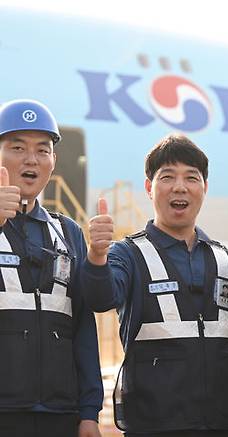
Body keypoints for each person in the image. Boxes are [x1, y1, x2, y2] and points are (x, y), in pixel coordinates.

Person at [81, 134, 228, 436]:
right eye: (167, 177)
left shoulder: (223, 259)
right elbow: (101, 298)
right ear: (149, 187)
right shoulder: (129, 254)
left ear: (205, 188)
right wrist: (97, 254)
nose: (180, 187)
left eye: (191, 177)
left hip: (223, 426)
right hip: (155, 427)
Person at [0, 99, 103, 437]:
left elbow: (83, 326)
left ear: (53, 161)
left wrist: (89, 412)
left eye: (42, 150)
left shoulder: (68, 232)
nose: (31, 159)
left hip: (59, 413)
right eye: (17, 147)